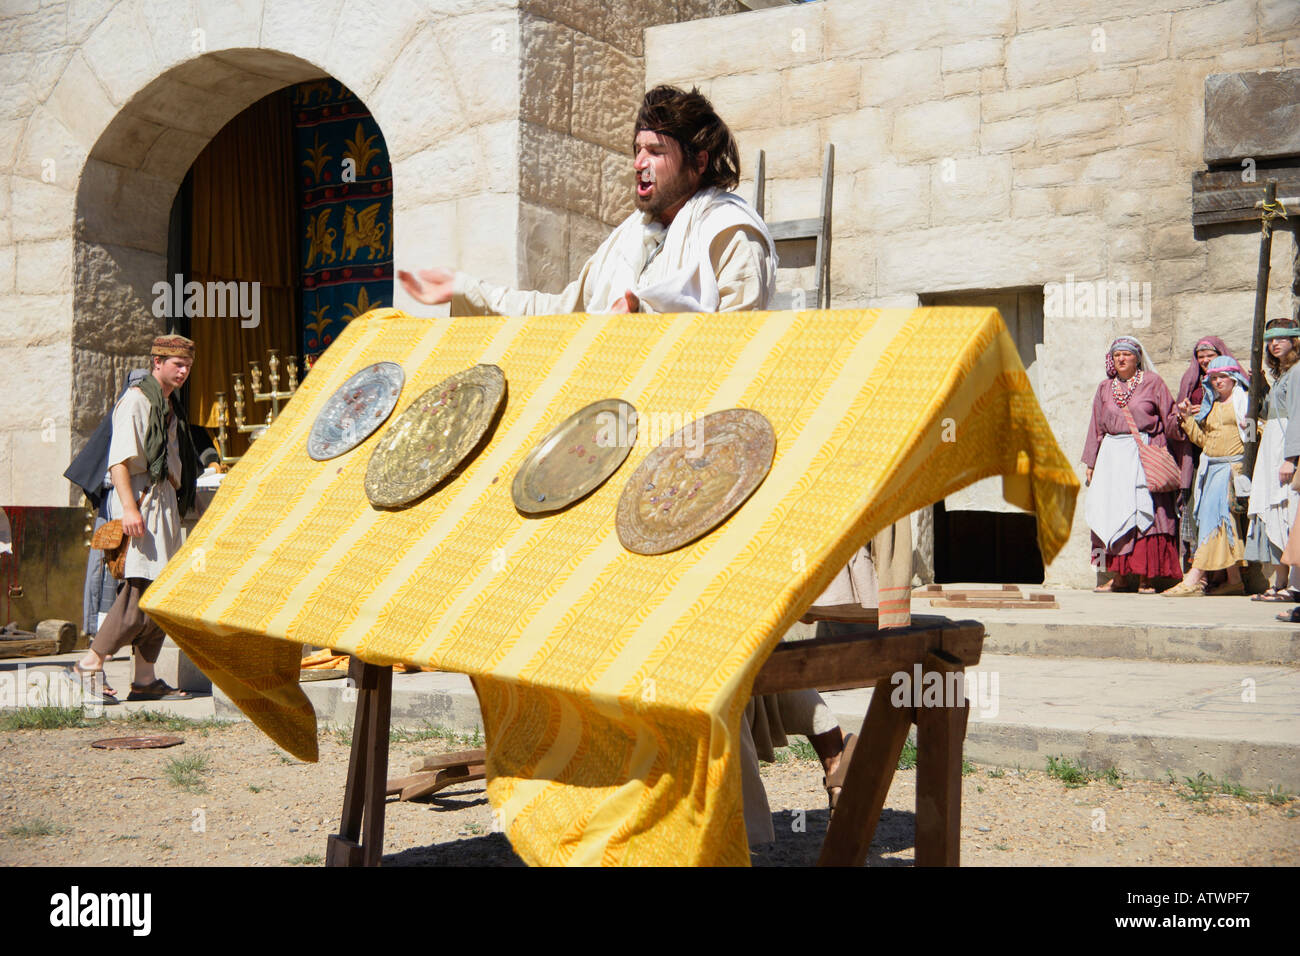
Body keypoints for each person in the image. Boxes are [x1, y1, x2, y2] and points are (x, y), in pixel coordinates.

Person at [400, 85, 849, 844]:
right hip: (617, 470)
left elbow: (751, 350)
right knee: (660, 649)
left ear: (697, 158)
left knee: (690, 649)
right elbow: (564, 314)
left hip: (699, 471)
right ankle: (801, 751)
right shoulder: (624, 241)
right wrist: (468, 290)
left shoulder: (732, 233)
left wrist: (658, 322)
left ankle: (713, 828)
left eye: (655, 151)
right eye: (635, 150)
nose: (639, 165)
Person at [68, 335, 199, 701]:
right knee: (140, 591)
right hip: (142, 502)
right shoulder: (137, 401)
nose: (184, 370)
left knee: (160, 594)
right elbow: (119, 461)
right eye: (176, 364)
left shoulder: (168, 405)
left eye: (187, 364)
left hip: (163, 503)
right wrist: (128, 509)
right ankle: (90, 662)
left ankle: (144, 680)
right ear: (157, 362)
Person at [1082, 336, 1181, 592]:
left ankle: (1146, 577)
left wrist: (1183, 420)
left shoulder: (1152, 382)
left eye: (1126, 354)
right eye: (1117, 355)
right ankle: (1119, 577)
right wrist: (1091, 462)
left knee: (1141, 510)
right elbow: (1096, 426)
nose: (1121, 359)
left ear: (1137, 358)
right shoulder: (1105, 387)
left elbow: (1168, 416)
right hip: (1112, 456)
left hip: (1141, 452)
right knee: (1113, 511)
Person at [1164, 355, 1251, 596]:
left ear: (1233, 378)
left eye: (1222, 376)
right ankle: (1234, 580)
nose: (1218, 381)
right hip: (1210, 469)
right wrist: (1188, 420)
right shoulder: (1211, 406)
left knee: (1216, 520)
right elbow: (1204, 441)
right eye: (1213, 378)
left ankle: (1194, 578)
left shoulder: (1244, 402)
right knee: (1221, 524)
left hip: (1231, 470)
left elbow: (1255, 435)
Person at [1173, 337, 1240, 567]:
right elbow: (1186, 426)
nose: (1204, 360)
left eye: (1209, 356)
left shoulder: (1237, 394)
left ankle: (1222, 574)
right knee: (1198, 512)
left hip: (1228, 461)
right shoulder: (1190, 382)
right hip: (1199, 458)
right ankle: (1202, 571)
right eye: (1200, 357)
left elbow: (1249, 425)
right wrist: (1186, 417)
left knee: (1224, 517)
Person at [1247, 319, 1300, 600]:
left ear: (1295, 341)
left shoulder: (1299, 372)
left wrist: (1291, 458)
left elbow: (1297, 417)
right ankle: (1279, 580)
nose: (1274, 343)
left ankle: (1295, 584)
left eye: (1281, 338)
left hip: (1285, 449)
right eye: (1270, 339)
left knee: (1289, 513)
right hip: (1272, 447)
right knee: (1274, 512)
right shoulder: (1283, 374)